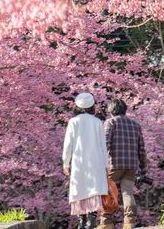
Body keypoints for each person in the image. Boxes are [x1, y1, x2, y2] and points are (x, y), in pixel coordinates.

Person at [63, 92, 109, 229]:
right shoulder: (97, 122)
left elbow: (68, 144)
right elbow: (103, 145)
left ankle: (81, 221)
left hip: (78, 162)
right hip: (96, 161)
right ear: (92, 106)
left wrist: (66, 163)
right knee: (93, 190)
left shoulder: (73, 122)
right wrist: (106, 165)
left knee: (79, 188)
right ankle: (91, 220)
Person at [99, 99, 148, 229]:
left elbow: (105, 145)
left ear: (111, 111)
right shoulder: (135, 125)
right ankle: (129, 222)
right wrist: (144, 168)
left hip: (114, 164)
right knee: (127, 192)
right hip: (131, 166)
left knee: (108, 192)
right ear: (124, 110)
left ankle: (106, 223)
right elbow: (141, 148)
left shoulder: (110, 123)